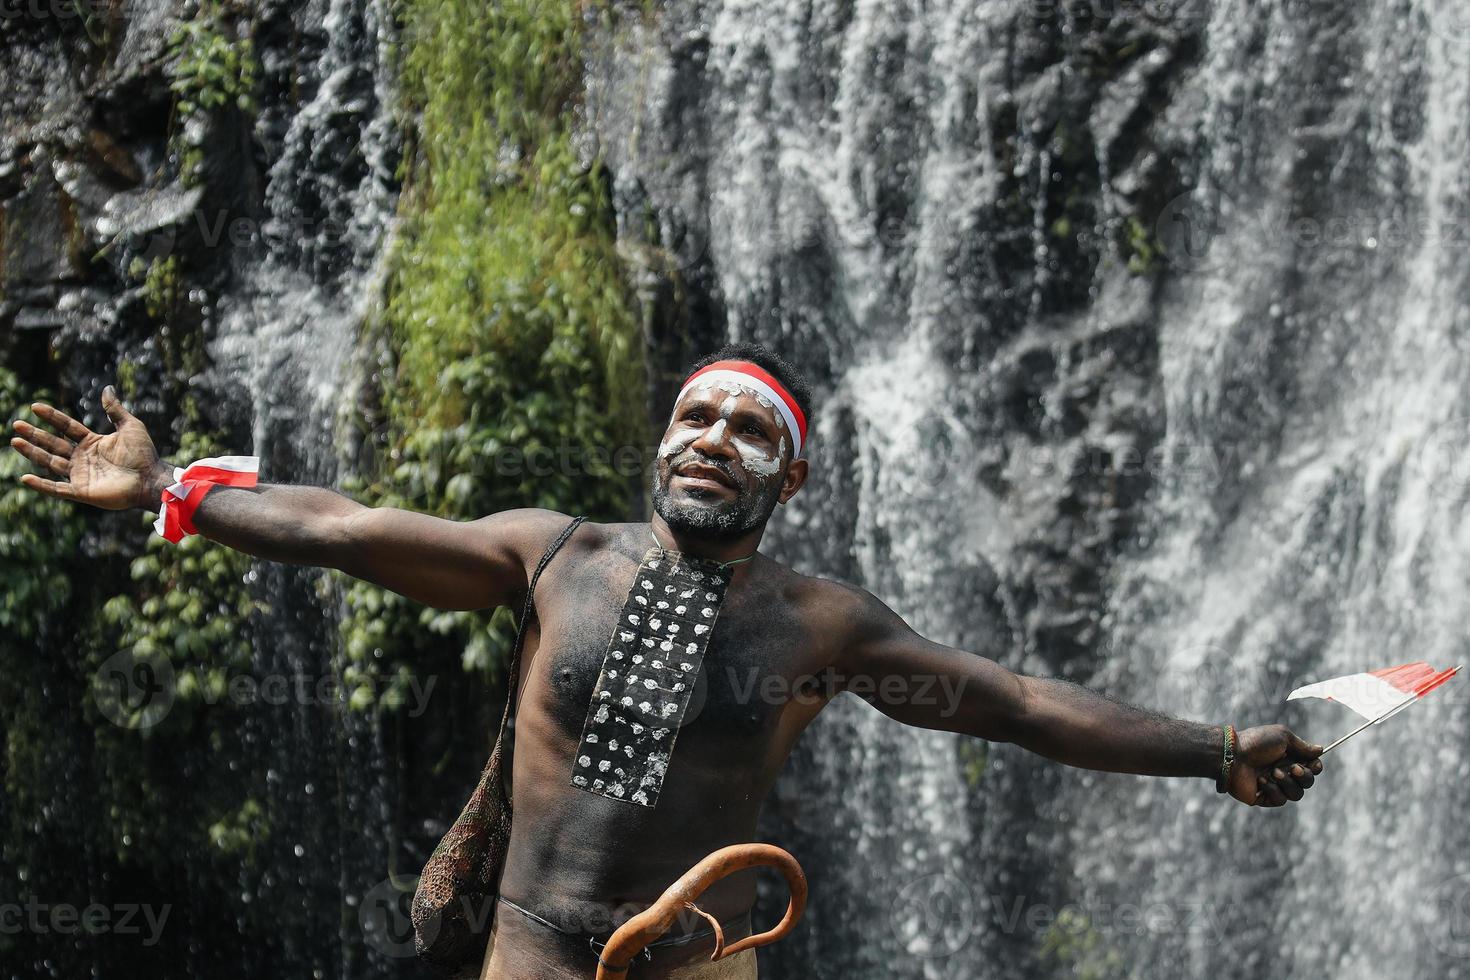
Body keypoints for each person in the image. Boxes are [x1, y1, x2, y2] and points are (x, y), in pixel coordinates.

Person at [8, 342, 1324, 979]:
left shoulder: (823, 627)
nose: (710, 438)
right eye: (693, 415)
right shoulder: (553, 554)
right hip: (529, 949)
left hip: (695, 956)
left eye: (746, 429)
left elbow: (1023, 705)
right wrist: (170, 487)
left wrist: (1214, 751)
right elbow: (345, 530)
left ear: (787, 474)